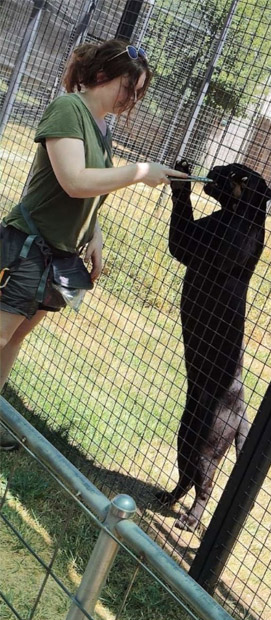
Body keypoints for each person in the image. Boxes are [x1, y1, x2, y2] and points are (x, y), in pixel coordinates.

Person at [0, 39, 184, 450]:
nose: (131, 100)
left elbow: (89, 193)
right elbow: (74, 180)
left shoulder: (101, 127)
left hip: (61, 254)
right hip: (29, 245)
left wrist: (94, 235)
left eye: (138, 94)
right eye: (128, 88)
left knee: (15, 337)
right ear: (102, 75)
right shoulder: (69, 109)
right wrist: (138, 172)